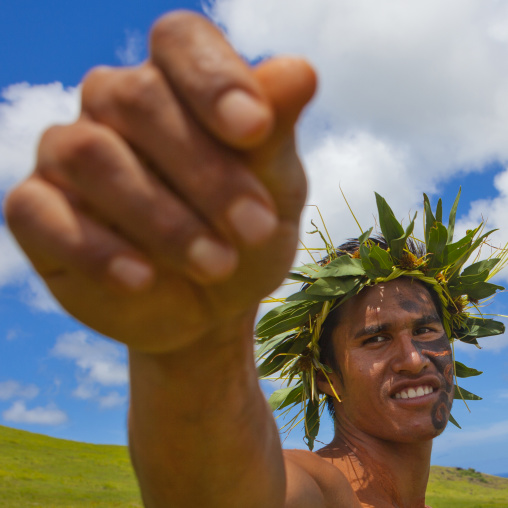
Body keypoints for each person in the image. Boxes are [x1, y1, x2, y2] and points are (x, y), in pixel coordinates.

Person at [4, 10, 505, 508]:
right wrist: (192, 347)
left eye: (424, 329)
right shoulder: (316, 486)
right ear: (328, 377)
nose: (414, 358)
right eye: (375, 338)